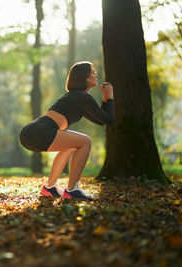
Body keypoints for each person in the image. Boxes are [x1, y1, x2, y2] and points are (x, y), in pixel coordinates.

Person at [19, 61, 114, 200]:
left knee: (70, 146)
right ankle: (72, 189)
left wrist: (105, 98)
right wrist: (111, 97)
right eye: (93, 73)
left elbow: (102, 120)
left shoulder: (77, 98)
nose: (96, 75)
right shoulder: (82, 96)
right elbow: (109, 120)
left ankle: (50, 188)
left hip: (30, 133)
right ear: (86, 78)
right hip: (40, 132)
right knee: (85, 141)